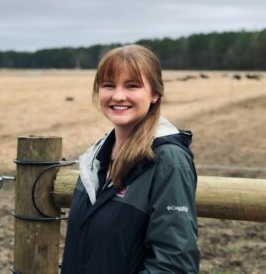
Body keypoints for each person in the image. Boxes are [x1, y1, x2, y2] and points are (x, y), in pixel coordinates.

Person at [61, 44, 200, 274]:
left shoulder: (168, 161)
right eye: (108, 85)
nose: (118, 96)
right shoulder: (95, 158)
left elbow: (174, 265)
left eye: (132, 86)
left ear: (155, 93)